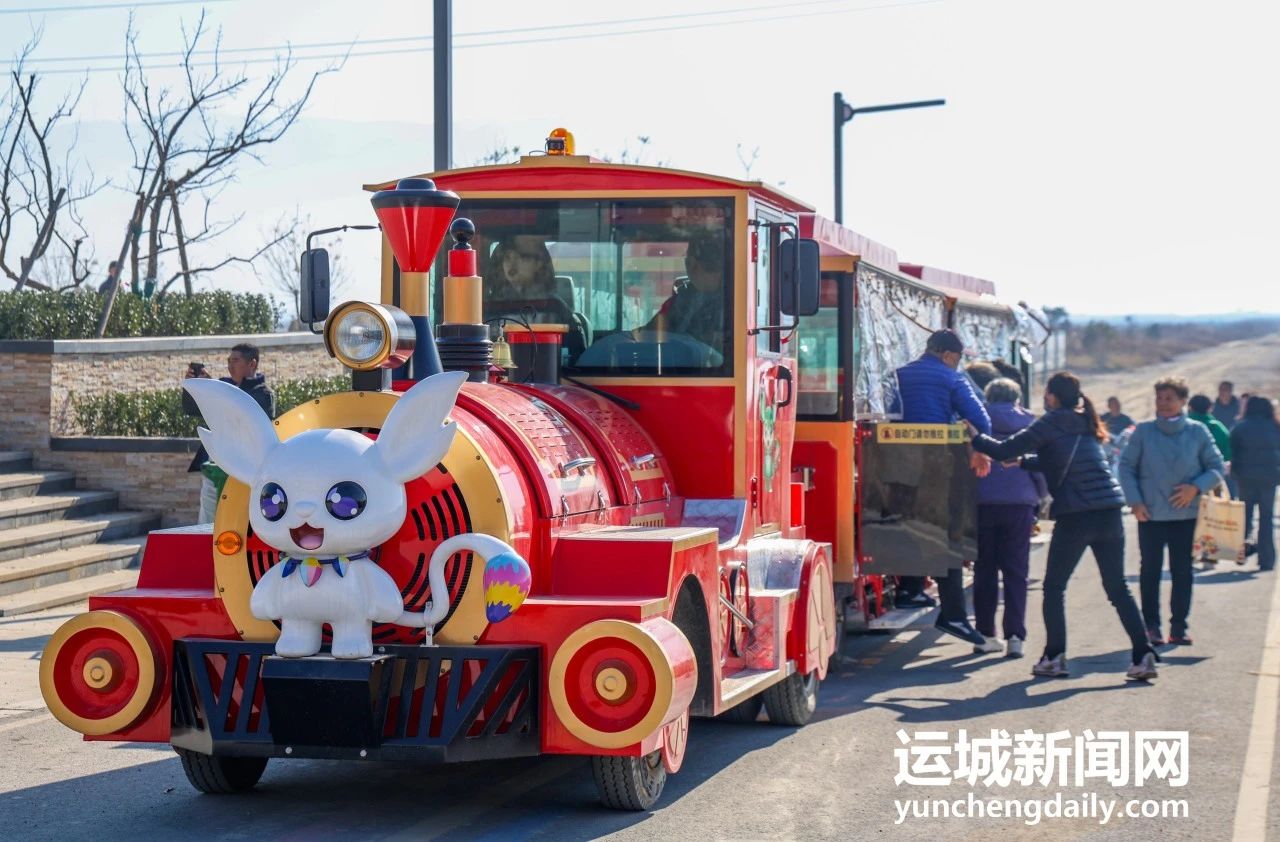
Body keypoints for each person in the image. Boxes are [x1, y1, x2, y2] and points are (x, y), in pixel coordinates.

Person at [971, 372, 1159, 681]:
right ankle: (1143, 654)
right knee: (1117, 588)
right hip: (1109, 510)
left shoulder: (1052, 420)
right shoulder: (1085, 420)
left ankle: (1054, 657)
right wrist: (1024, 462)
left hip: (1076, 514)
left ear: (1053, 396)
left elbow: (1003, 450)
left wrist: (974, 435)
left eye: (1047, 393)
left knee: (1054, 587)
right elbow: (1060, 459)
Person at [892, 329, 992, 647]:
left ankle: (909, 590)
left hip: (897, 465)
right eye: (957, 359)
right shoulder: (952, 379)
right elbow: (981, 421)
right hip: (938, 466)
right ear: (949, 355)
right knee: (948, 536)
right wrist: (977, 446)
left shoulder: (899, 374)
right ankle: (953, 615)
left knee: (911, 526)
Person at [1119, 377, 1225, 647]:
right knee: (1150, 572)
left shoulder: (1197, 432)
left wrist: (1195, 487)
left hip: (1186, 515)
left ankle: (1179, 627)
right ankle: (1151, 627)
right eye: (1159, 398)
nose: (1163, 403)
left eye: (1169, 398)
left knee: (1182, 572)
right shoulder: (1143, 432)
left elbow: (1216, 467)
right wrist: (1135, 501)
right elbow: (1126, 467)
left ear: (1183, 401)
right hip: (1150, 514)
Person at [972, 378, 1048, 658]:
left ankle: (985, 635)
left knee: (984, 570)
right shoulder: (1030, 424)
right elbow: (1039, 468)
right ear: (1017, 398)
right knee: (1016, 572)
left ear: (988, 397)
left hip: (982, 503)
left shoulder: (977, 421)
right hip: (1019, 504)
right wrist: (1041, 496)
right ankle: (1015, 637)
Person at [182, 343, 275, 523]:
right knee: (208, 515)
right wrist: (196, 387)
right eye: (229, 361)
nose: (230, 365)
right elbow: (192, 409)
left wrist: (217, 391)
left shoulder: (264, 393)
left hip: (245, 465)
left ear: (252, 364)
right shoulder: (224, 386)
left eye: (236, 360)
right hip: (216, 462)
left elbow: (243, 411)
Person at [639, 235, 727, 351]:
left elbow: (648, 334)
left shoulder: (678, 302)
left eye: (686, 259)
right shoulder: (737, 299)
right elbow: (650, 332)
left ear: (692, 263)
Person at [1230, 396, 1280, 571]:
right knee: (1266, 518)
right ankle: (1266, 559)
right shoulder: (1275, 426)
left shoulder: (1240, 427)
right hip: (1269, 478)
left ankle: (1241, 552)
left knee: (1245, 516)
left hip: (1245, 477)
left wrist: (1235, 472)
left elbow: (1232, 450)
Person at [1188, 393, 1234, 498]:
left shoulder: (1182, 427)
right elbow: (1228, 453)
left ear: (1190, 407)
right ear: (1210, 408)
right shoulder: (1217, 427)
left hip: (1185, 482)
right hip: (1211, 480)